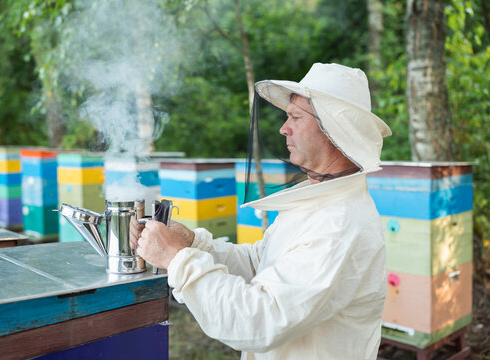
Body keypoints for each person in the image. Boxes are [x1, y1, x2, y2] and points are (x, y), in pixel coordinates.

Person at [134, 63, 392, 359]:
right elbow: (262, 264)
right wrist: (192, 243)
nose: (284, 128)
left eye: (295, 117)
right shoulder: (319, 201)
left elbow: (258, 320)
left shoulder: (340, 224)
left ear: (334, 129)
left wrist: (177, 258)